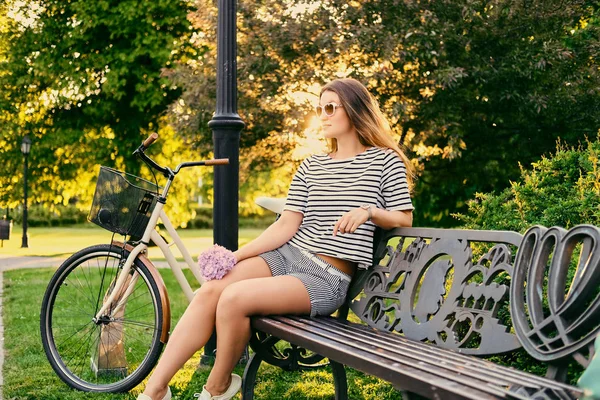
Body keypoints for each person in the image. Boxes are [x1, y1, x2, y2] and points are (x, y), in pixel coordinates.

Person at [137, 78, 415, 400]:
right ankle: (155, 390)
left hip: (326, 276)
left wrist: (369, 212)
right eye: (319, 109)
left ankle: (218, 386)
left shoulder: (384, 161)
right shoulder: (312, 166)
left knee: (234, 298)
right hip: (287, 256)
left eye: (329, 107)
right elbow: (286, 225)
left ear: (354, 109)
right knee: (211, 290)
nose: (322, 115)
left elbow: (403, 216)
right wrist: (236, 257)